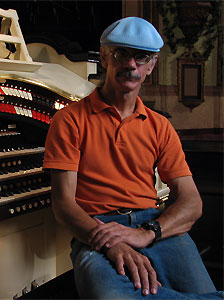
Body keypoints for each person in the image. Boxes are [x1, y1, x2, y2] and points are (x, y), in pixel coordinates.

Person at [43, 17, 223, 299]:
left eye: (141, 58)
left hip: (156, 226)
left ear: (151, 65)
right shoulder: (69, 120)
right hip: (99, 231)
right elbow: (64, 203)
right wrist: (111, 243)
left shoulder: (159, 125)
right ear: (104, 57)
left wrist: (146, 232)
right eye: (121, 54)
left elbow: (192, 201)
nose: (131, 65)